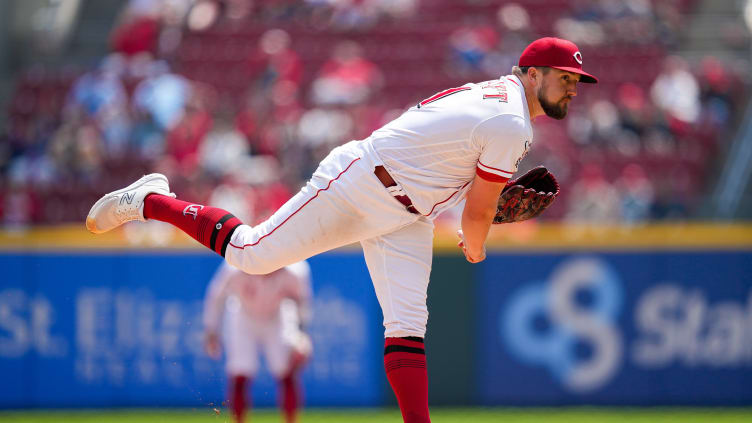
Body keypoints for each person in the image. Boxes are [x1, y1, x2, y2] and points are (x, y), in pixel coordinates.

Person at [86, 37, 597, 423]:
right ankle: (153, 200)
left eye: (576, 81)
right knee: (250, 254)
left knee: (406, 325)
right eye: (563, 77)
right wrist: (476, 243)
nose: (572, 87)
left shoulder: (500, 104)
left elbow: (450, 170)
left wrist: (473, 217)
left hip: (407, 213)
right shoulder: (510, 121)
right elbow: (478, 217)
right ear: (530, 74)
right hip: (360, 183)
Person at [203, 260, 312, 423]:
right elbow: (216, 296)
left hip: (277, 316)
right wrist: (211, 330)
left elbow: (302, 301)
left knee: (286, 372)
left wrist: (301, 334)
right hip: (243, 315)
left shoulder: (295, 270)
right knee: (240, 372)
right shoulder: (235, 266)